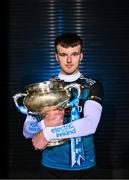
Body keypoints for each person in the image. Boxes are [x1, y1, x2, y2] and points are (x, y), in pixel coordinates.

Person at [23, 32, 104, 179]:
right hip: (50, 167)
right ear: (56, 56)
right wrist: (43, 124)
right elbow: (27, 131)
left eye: (74, 54)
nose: (68, 60)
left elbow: (90, 124)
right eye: (63, 54)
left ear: (81, 56)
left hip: (85, 169)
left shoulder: (92, 86)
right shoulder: (44, 88)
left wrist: (47, 133)